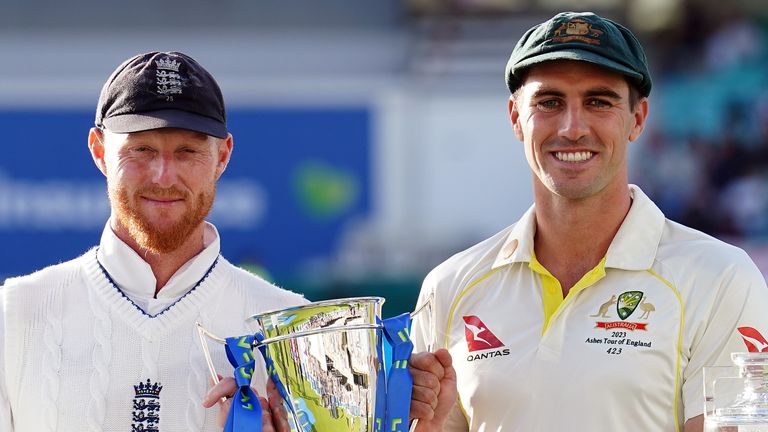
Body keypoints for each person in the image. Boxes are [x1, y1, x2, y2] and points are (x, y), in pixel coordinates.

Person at [409, 11, 768, 431]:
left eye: (598, 101)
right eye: (549, 102)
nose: (573, 127)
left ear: (638, 118)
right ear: (515, 118)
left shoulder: (723, 278)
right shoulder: (450, 285)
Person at [0, 51, 310, 431]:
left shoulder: (295, 330)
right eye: (141, 150)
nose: (164, 177)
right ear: (99, 151)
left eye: (187, 152)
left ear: (222, 156)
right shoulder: (13, 314)